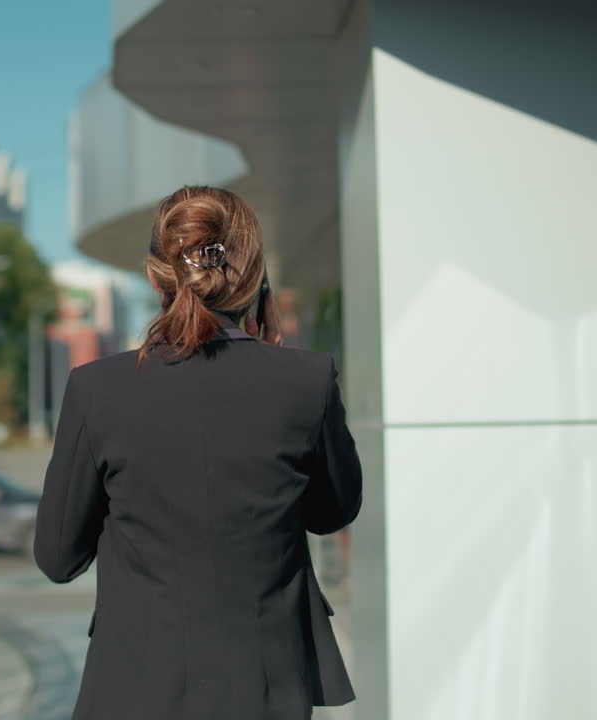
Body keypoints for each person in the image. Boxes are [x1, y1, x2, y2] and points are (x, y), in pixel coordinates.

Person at [34, 186, 362, 720]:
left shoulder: (96, 389)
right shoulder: (307, 379)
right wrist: (279, 373)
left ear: (154, 274)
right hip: (267, 693)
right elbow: (332, 513)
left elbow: (58, 558)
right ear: (256, 279)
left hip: (132, 693)